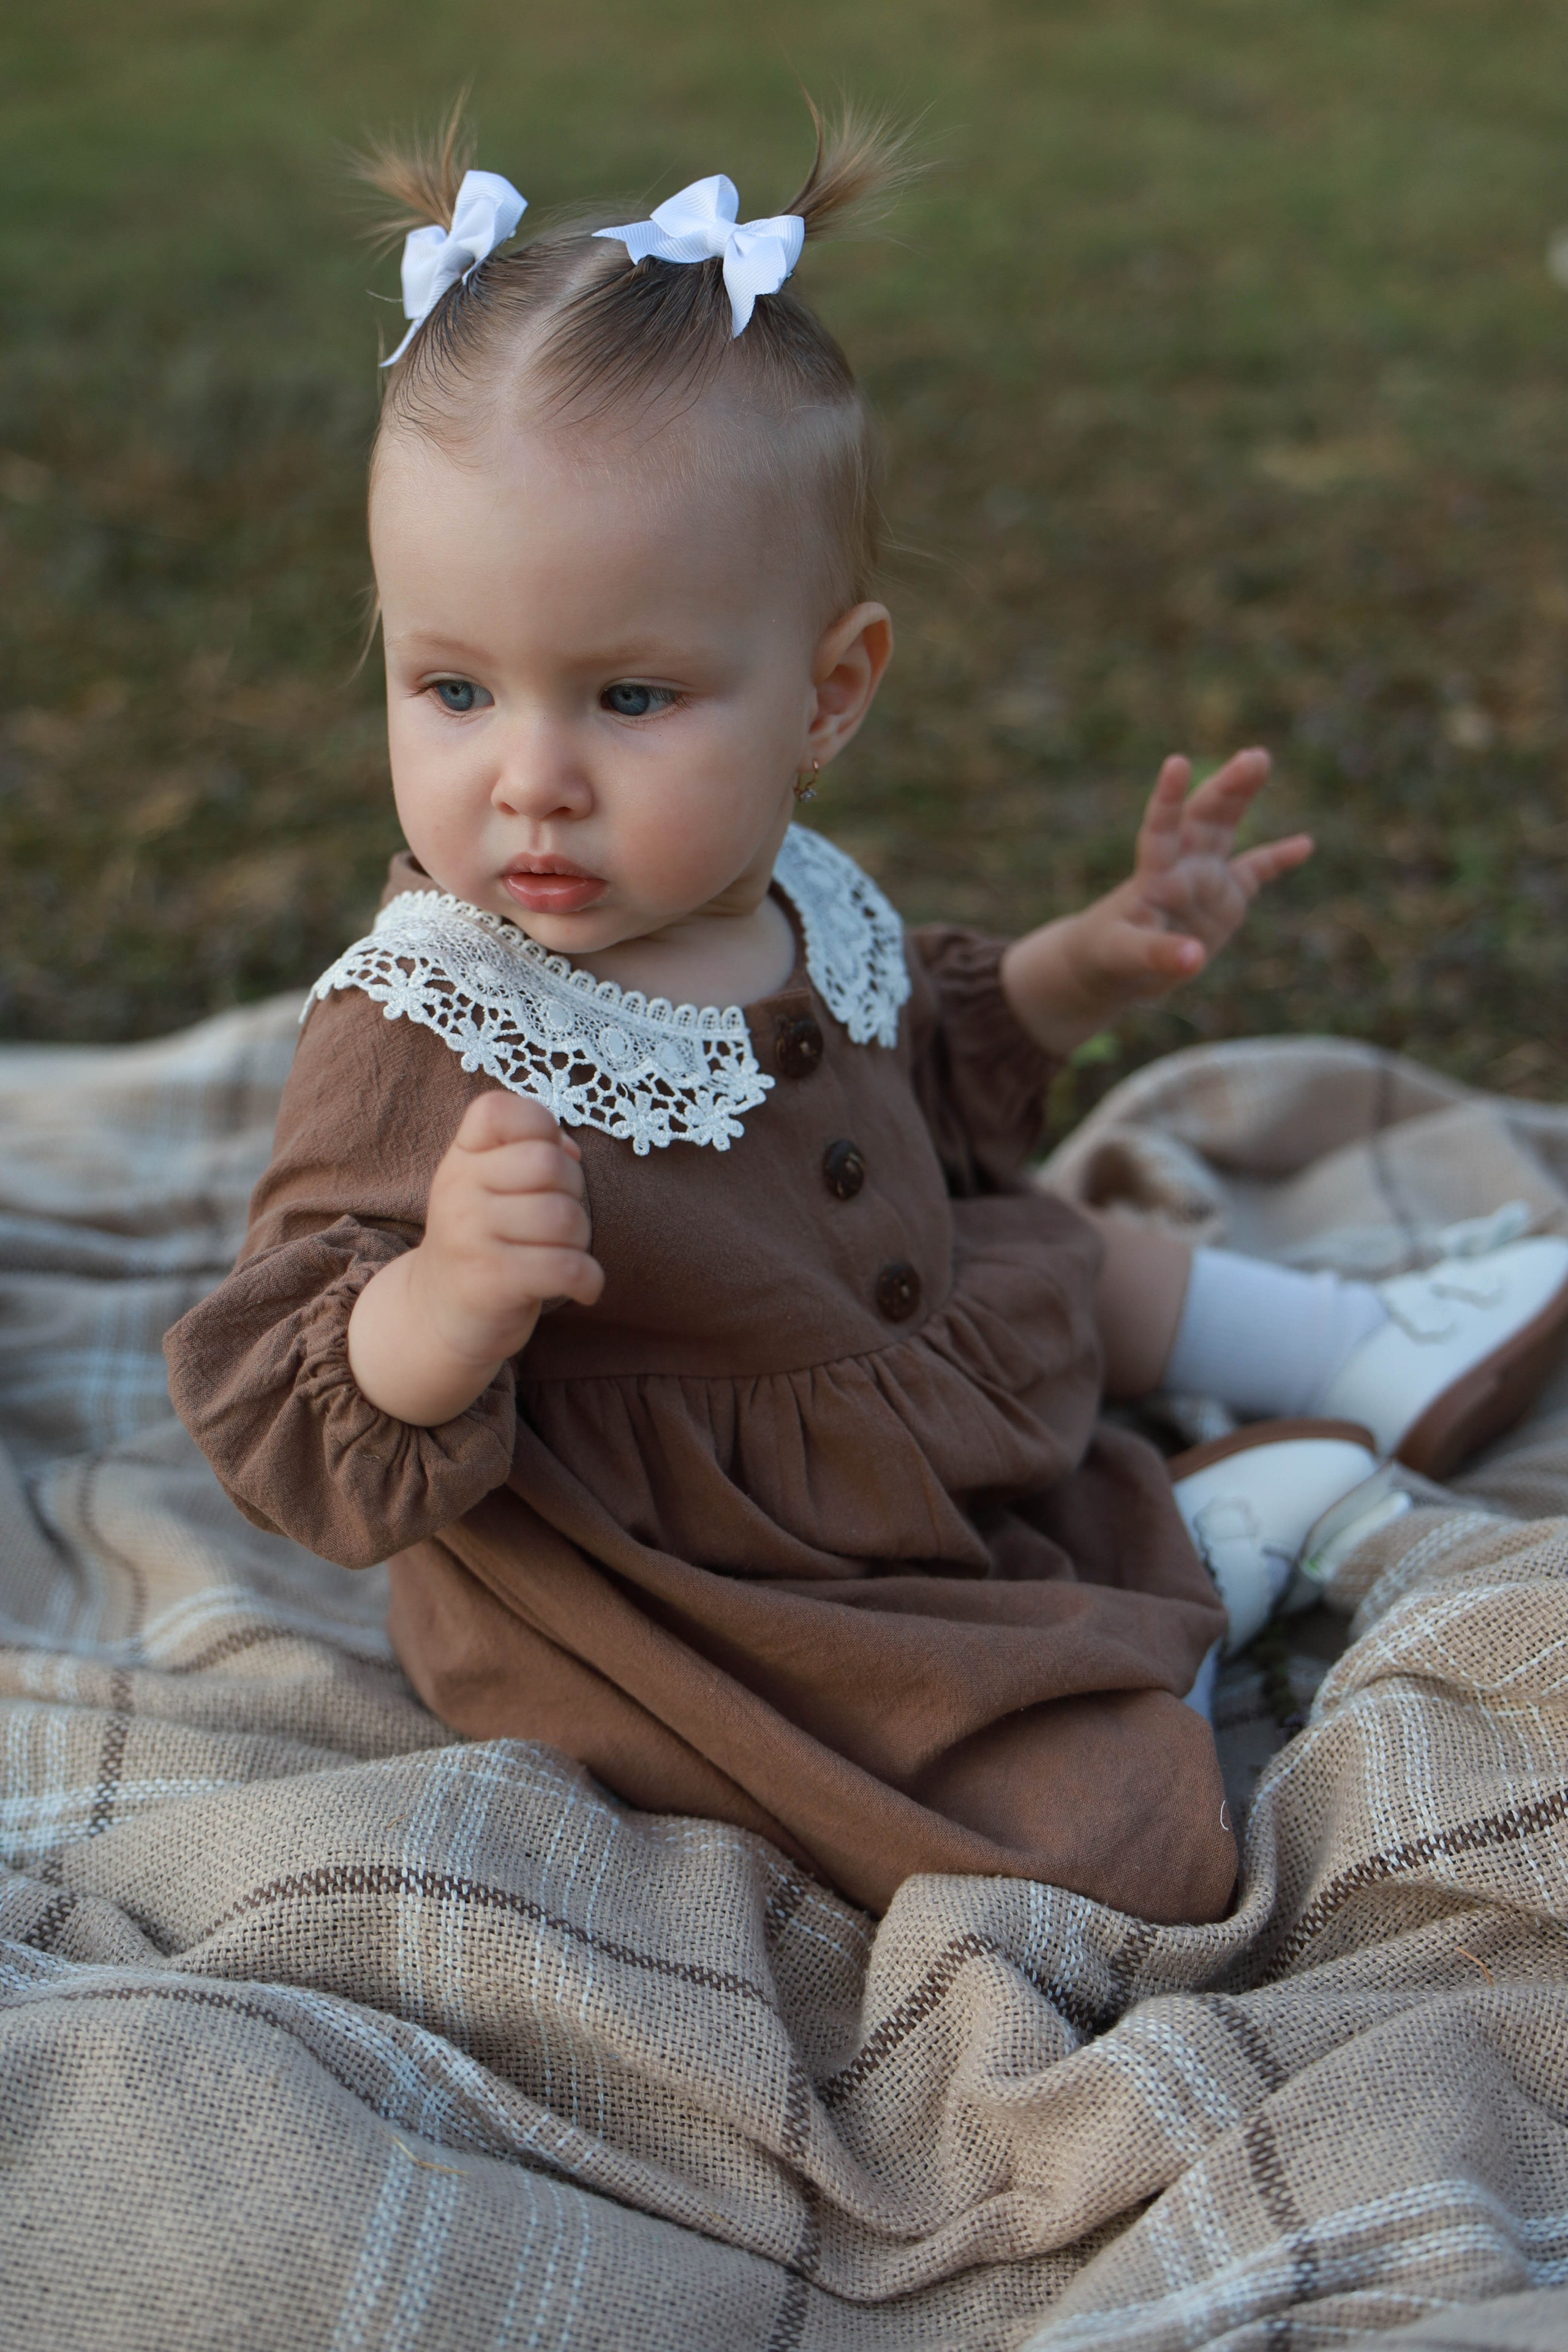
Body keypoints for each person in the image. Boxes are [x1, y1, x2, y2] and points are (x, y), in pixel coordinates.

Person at [166, 107, 1568, 1923]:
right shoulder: (434, 1017)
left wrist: (1087, 961)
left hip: (890, 1399)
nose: (531, 781)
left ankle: (1347, 1352)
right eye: (451, 686)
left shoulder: (785, 893)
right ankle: (1189, 1576)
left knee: (1059, 1243)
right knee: (1085, 1846)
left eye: (631, 695)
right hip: (717, 1581)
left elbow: (919, 1085)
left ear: (829, 696)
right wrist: (439, 1304)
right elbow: (293, 1391)